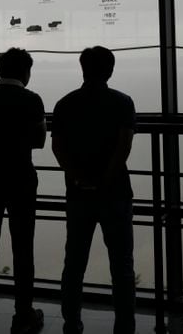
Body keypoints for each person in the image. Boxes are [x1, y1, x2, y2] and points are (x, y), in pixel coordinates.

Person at [52, 46, 136, 334]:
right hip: (116, 193)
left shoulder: (64, 105)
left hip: (78, 195)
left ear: (82, 69)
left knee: (74, 262)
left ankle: (71, 322)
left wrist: (79, 178)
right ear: (110, 71)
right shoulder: (123, 103)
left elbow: (58, 148)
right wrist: (105, 180)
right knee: (122, 264)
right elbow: (124, 147)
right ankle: (125, 324)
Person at [0, 47, 47, 334]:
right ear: (25, 72)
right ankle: (23, 312)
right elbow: (39, 141)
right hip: (21, 179)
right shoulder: (32, 100)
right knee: (22, 246)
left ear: (1, 69)